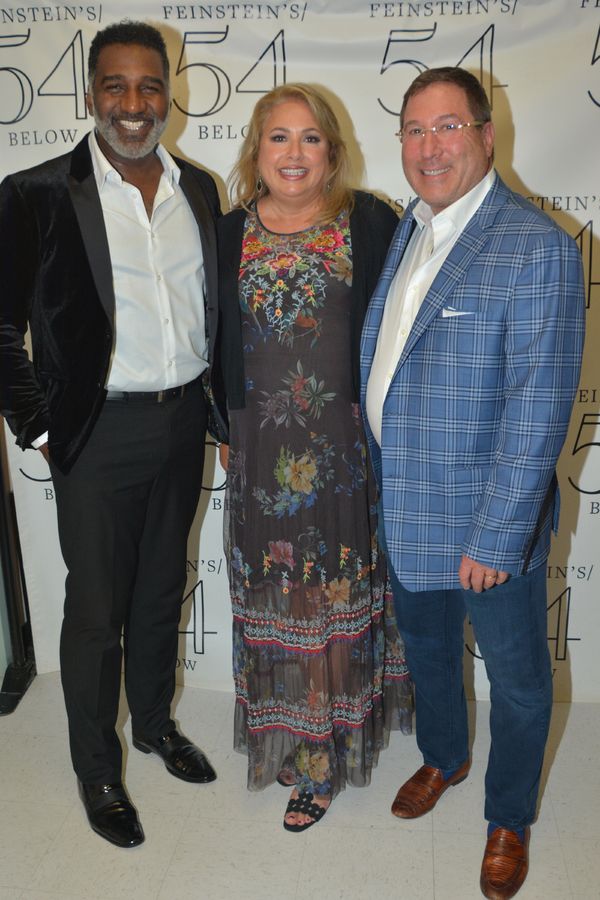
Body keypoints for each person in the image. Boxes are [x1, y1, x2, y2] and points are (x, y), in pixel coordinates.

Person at [0, 21, 227, 849]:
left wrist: (222, 411)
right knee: (96, 611)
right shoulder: (36, 191)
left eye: (149, 87)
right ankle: (98, 769)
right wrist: (38, 428)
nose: (134, 105)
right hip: (94, 431)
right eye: (116, 87)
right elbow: (2, 327)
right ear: (89, 93)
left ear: (171, 93)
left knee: (161, 589)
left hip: (182, 422)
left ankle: (154, 727)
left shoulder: (198, 187)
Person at [361, 67, 585, 898]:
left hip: (489, 522)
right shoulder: (409, 228)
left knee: (519, 684)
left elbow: (538, 409)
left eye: (448, 126)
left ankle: (507, 816)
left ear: (488, 136)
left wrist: (497, 537)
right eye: (415, 130)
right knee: (427, 656)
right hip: (407, 504)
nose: (429, 146)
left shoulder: (538, 246)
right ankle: (444, 759)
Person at [217, 83, 413, 832]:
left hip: (339, 450)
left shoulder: (368, 221)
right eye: (278, 137)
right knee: (278, 597)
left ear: (332, 151)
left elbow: (399, 329)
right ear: (256, 150)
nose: (293, 153)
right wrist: (221, 422)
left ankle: (322, 761)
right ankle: (287, 736)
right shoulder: (227, 229)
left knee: (328, 599)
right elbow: (214, 340)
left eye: (308, 138)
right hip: (260, 452)